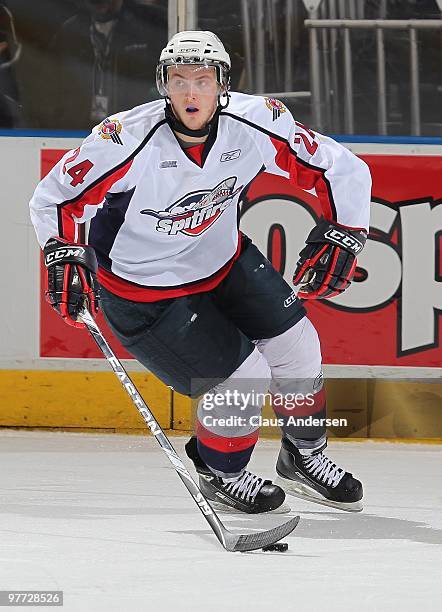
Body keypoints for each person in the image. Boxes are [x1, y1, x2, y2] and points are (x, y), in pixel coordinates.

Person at [30, 31, 371, 515]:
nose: (191, 93)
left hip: (224, 262)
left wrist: (346, 232)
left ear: (222, 84)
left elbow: (343, 168)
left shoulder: (257, 122)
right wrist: (61, 251)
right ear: (163, 84)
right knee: (243, 379)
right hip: (144, 291)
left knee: (300, 348)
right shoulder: (124, 138)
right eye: (179, 79)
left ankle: (305, 455)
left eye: (203, 80)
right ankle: (222, 472)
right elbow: (54, 197)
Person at [47, 0, 166, 129]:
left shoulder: (146, 27)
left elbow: (160, 82)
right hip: (78, 126)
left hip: (131, 126)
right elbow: (53, 84)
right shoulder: (70, 31)